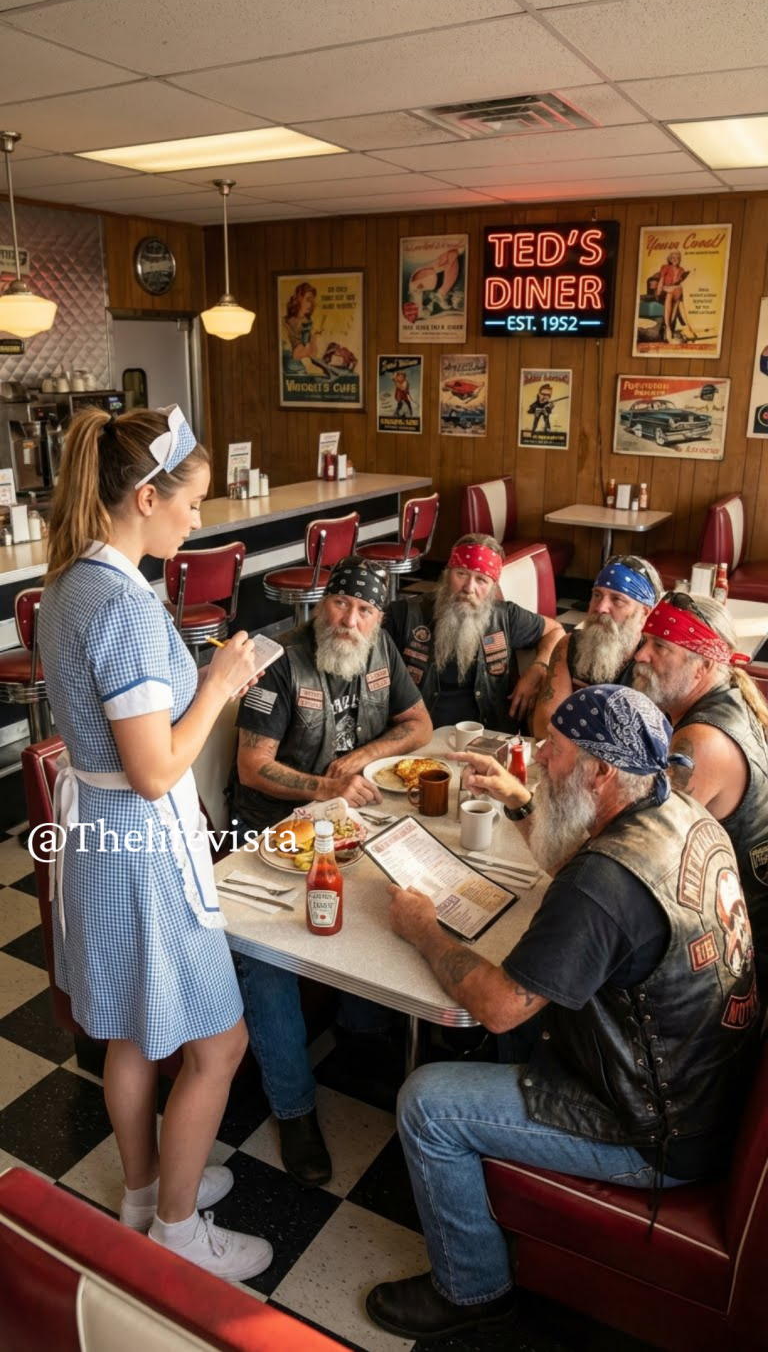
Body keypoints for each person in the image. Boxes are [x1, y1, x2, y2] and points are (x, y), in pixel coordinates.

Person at [365, 685, 760, 1341]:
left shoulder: (605, 882)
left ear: (602, 771)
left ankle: (472, 1290)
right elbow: (579, 858)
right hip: (708, 1085)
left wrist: (423, 928)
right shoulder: (681, 809)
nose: (539, 756)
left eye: (554, 747)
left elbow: (496, 1007)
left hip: (658, 1130)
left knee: (426, 1101)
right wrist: (525, 801)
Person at [36, 406, 272, 1283]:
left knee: (132, 1030)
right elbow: (153, 766)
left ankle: (143, 1192)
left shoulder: (67, 584)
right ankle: (176, 1232)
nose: (199, 518)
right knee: (221, 1043)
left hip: (99, 846)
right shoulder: (126, 608)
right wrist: (218, 683)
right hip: (142, 848)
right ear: (144, 497)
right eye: (193, 502)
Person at [230, 555, 432, 1186]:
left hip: (348, 820)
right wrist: (324, 784)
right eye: (342, 604)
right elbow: (251, 766)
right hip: (269, 831)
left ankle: (362, 1030)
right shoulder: (281, 661)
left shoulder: (381, 652)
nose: (350, 619)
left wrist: (361, 761)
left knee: (413, 884)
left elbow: (419, 724)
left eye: (365, 609)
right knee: (266, 952)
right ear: (322, 604)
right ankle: (292, 1107)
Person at [632, 592, 768, 990]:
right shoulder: (731, 699)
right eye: (645, 641)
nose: (641, 655)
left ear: (703, 665)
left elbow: (643, 848)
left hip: (736, 956)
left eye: (660, 646)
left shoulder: (702, 740)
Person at [387, 534, 564, 733]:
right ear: (447, 574)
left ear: (492, 588)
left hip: (488, 735)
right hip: (421, 736)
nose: (469, 588)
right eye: (461, 574)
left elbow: (556, 631)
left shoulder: (505, 616)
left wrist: (538, 669)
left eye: (481, 580)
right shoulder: (405, 614)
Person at [533, 554, 663, 738]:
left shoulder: (656, 661)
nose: (600, 607)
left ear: (644, 613)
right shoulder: (570, 645)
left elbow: (648, 741)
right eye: (597, 595)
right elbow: (544, 725)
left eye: (617, 599)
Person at [651, 250, 695, 343]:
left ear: (679, 260)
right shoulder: (665, 267)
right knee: (673, 292)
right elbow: (661, 281)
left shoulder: (681, 270)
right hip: (662, 290)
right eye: (673, 258)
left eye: (677, 258)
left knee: (679, 289)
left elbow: (677, 283)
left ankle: (685, 326)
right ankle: (668, 328)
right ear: (670, 259)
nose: (675, 259)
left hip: (674, 292)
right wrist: (660, 291)